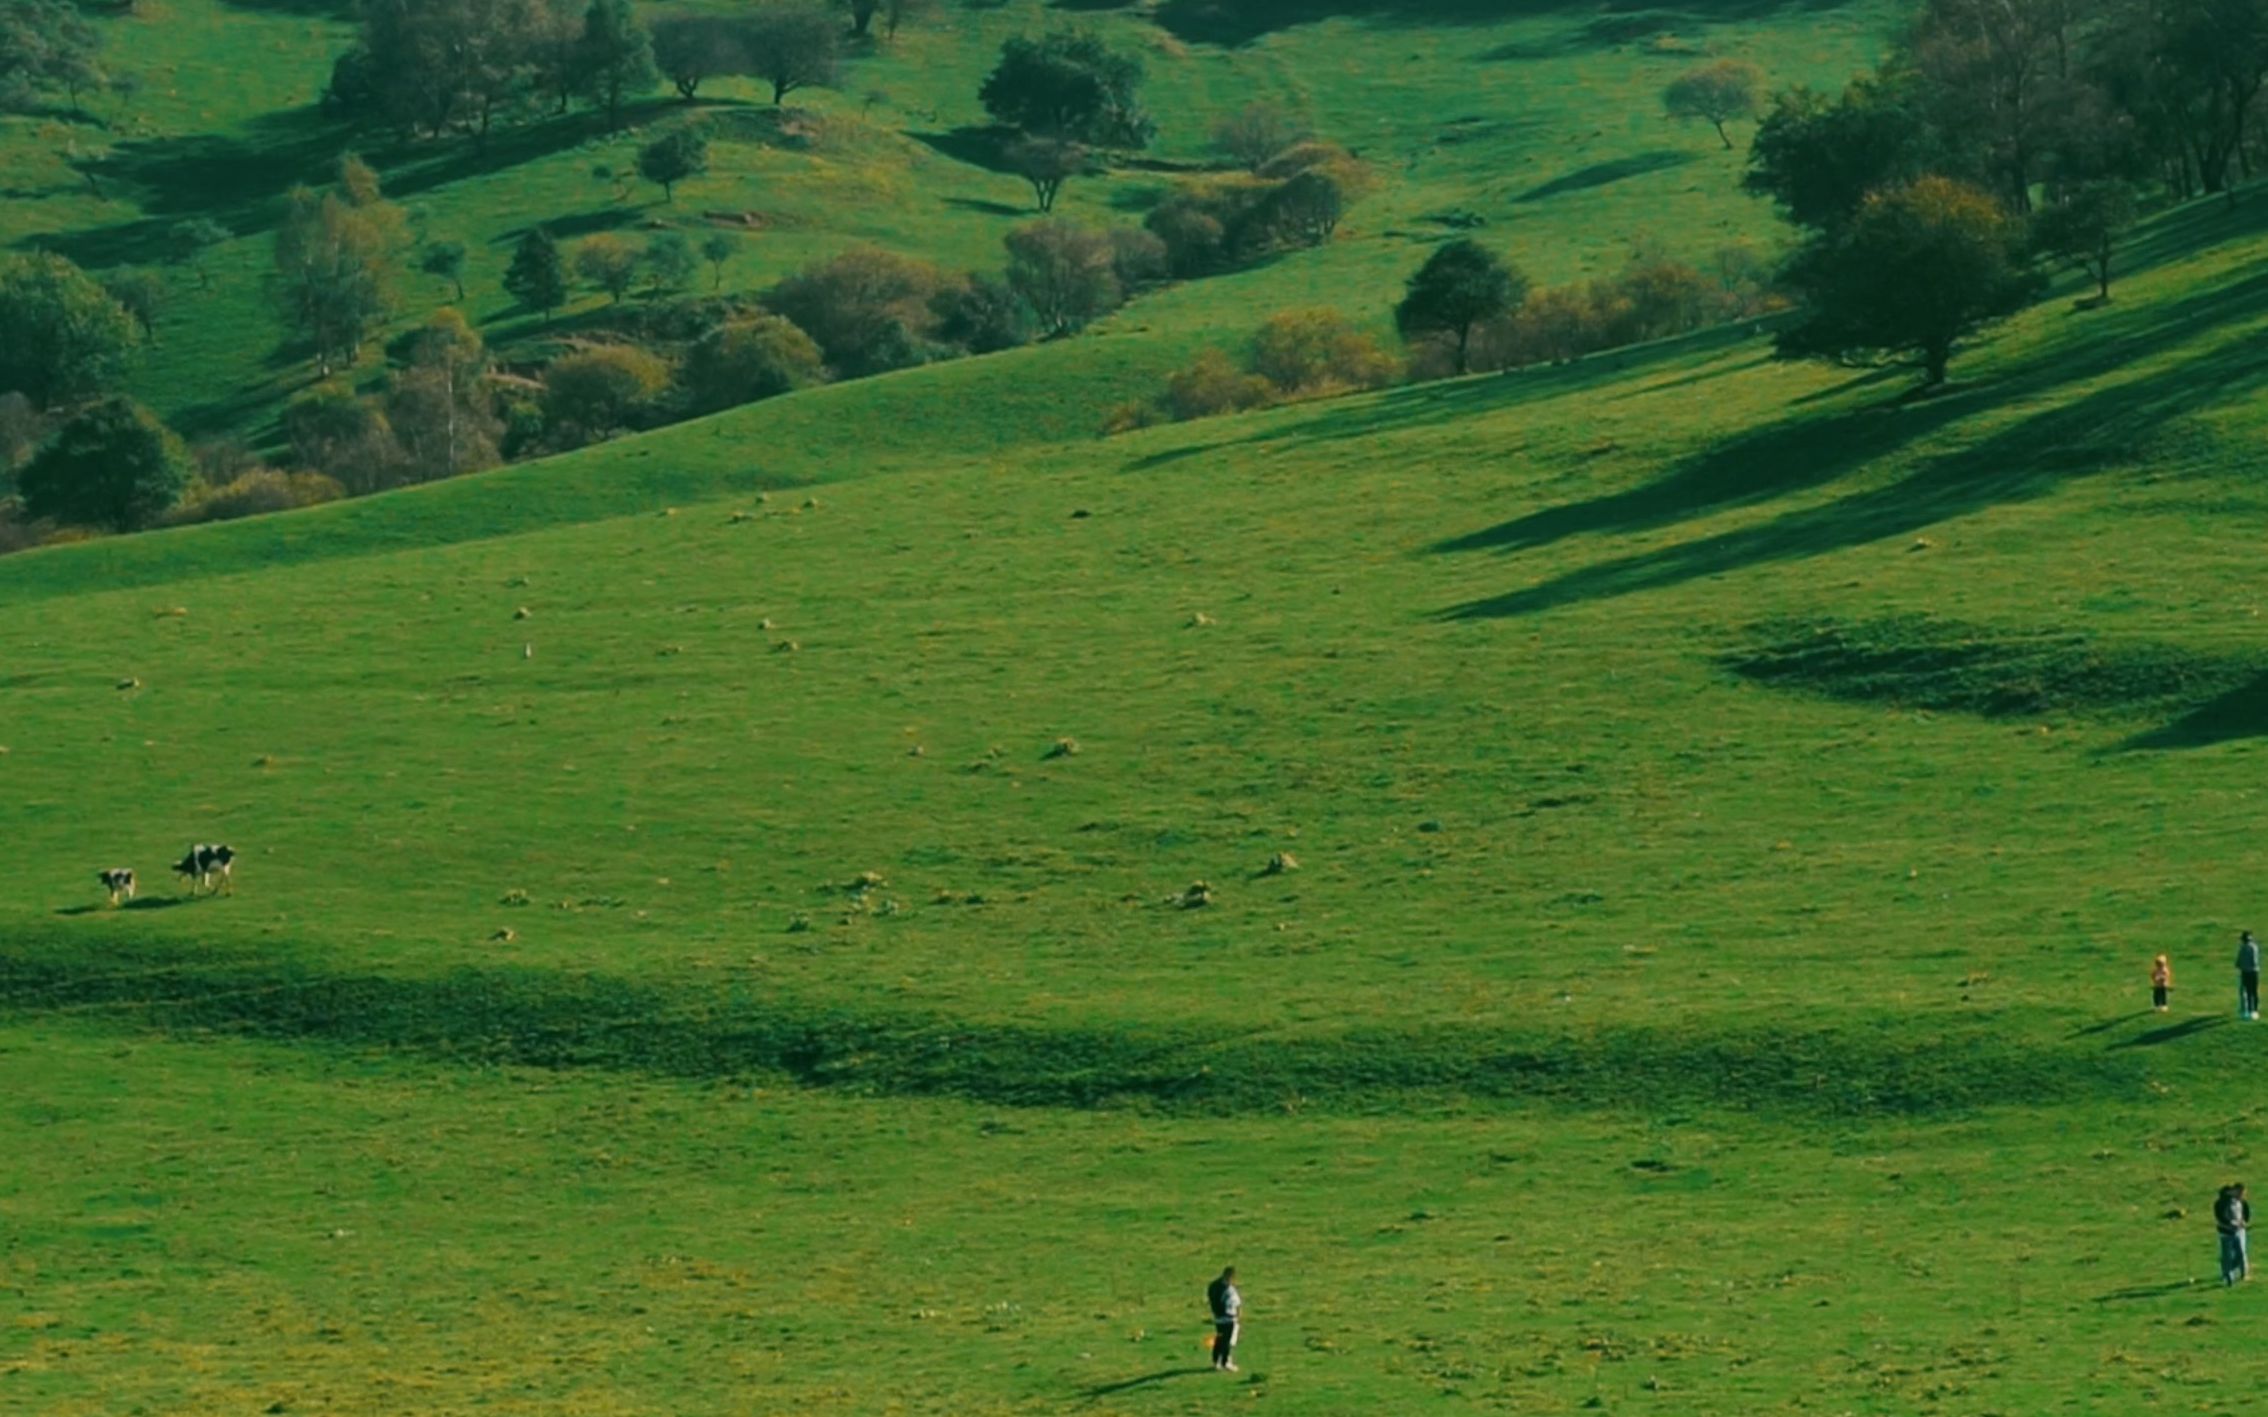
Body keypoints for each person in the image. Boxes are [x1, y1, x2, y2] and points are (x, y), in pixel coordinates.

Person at [1206, 1265, 1241, 1373]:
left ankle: (1216, 1361)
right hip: (1227, 1318)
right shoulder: (1226, 1288)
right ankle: (1225, 1362)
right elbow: (1233, 1303)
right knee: (1226, 1340)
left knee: (1220, 1339)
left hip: (1220, 1318)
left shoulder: (1215, 1285)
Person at [2218, 1184, 2252, 1286]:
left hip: (2239, 1231)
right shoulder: (2221, 1203)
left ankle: (2243, 1274)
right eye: (2240, 1192)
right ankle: (2228, 1276)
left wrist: (2244, 1222)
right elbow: (2220, 1217)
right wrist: (2230, 1224)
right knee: (2227, 1255)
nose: (2242, 1195)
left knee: (2241, 1253)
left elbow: (2246, 1211)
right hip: (2226, 1233)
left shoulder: (2240, 1201)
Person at [2239, 933, 2261, 1021]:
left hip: (2246, 972)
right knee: (2253, 991)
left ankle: (2249, 1011)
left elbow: (2238, 961)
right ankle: (2254, 1010)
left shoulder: (2243, 948)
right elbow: (2254, 961)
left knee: (2248, 992)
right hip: (2253, 972)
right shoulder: (2254, 947)